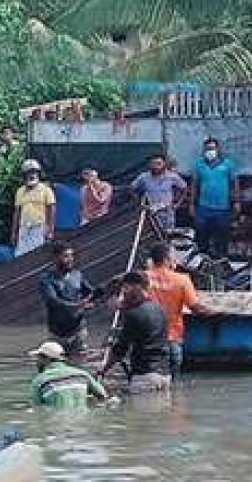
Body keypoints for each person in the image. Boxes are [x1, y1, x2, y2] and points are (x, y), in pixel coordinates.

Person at [146, 242, 217, 379]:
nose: (176, 261)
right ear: (167, 260)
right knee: (172, 385)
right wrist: (215, 313)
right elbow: (195, 308)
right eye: (174, 257)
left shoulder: (141, 279)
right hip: (171, 339)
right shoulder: (182, 280)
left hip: (146, 342)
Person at [97, 271, 172, 393]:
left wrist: (104, 369)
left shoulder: (133, 315)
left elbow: (120, 350)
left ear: (137, 287)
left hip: (145, 376)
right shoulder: (159, 309)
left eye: (126, 288)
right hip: (165, 375)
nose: (124, 293)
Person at [38, 242, 98, 356]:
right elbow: (53, 301)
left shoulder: (77, 275)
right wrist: (78, 305)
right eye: (66, 256)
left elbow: (91, 292)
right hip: (57, 333)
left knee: (78, 364)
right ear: (55, 258)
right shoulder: (47, 279)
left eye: (72, 255)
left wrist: (94, 300)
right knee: (56, 365)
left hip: (78, 331)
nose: (70, 259)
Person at [189, 138, 238, 259]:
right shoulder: (199, 164)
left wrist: (237, 201)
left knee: (222, 239)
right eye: (207, 149)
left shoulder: (228, 164)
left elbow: (234, 183)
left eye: (212, 148)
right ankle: (202, 263)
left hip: (223, 209)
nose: (210, 151)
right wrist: (191, 204)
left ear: (218, 149)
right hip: (203, 208)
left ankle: (220, 263)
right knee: (201, 238)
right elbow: (195, 185)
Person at [28, 341, 107, 408]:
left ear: (46, 359)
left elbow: (37, 409)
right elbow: (103, 396)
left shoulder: (39, 381)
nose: (37, 362)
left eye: (38, 358)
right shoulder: (82, 374)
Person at [130, 154, 186, 232]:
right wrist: (139, 204)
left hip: (167, 213)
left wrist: (178, 204)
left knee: (168, 235)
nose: (156, 166)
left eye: (159, 163)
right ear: (149, 165)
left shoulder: (172, 176)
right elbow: (132, 188)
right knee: (150, 236)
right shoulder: (143, 177)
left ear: (164, 164)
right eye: (153, 164)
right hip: (150, 214)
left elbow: (184, 188)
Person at [13, 159, 56, 256]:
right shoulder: (20, 191)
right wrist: (14, 233)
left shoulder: (46, 190)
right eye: (29, 172)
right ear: (24, 175)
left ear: (38, 174)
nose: (32, 175)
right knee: (20, 255)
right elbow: (17, 213)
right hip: (24, 229)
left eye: (34, 172)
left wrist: (50, 231)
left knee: (38, 255)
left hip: (39, 228)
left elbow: (51, 211)